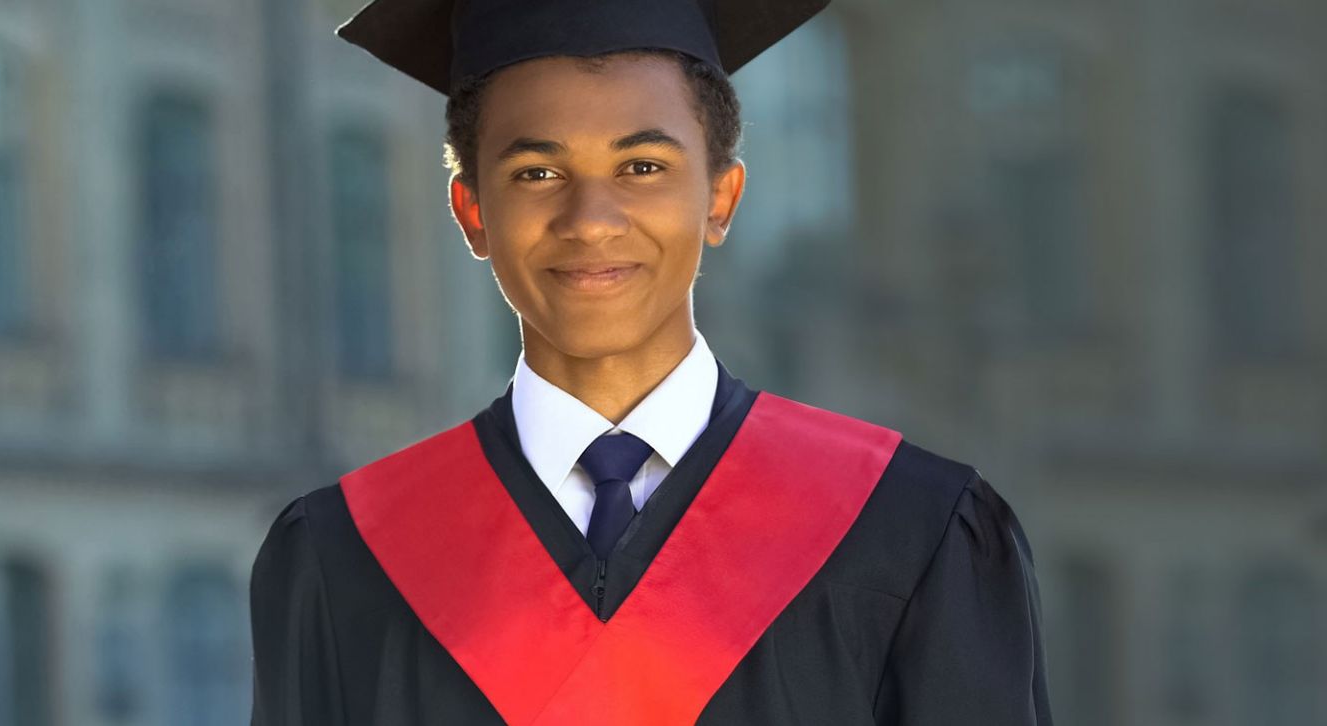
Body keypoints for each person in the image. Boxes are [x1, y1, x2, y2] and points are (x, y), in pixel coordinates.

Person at [248, 0, 1052, 723]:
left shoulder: (911, 532)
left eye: (642, 168)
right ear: (472, 212)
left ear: (721, 199)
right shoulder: (344, 557)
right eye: (537, 172)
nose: (591, 221)